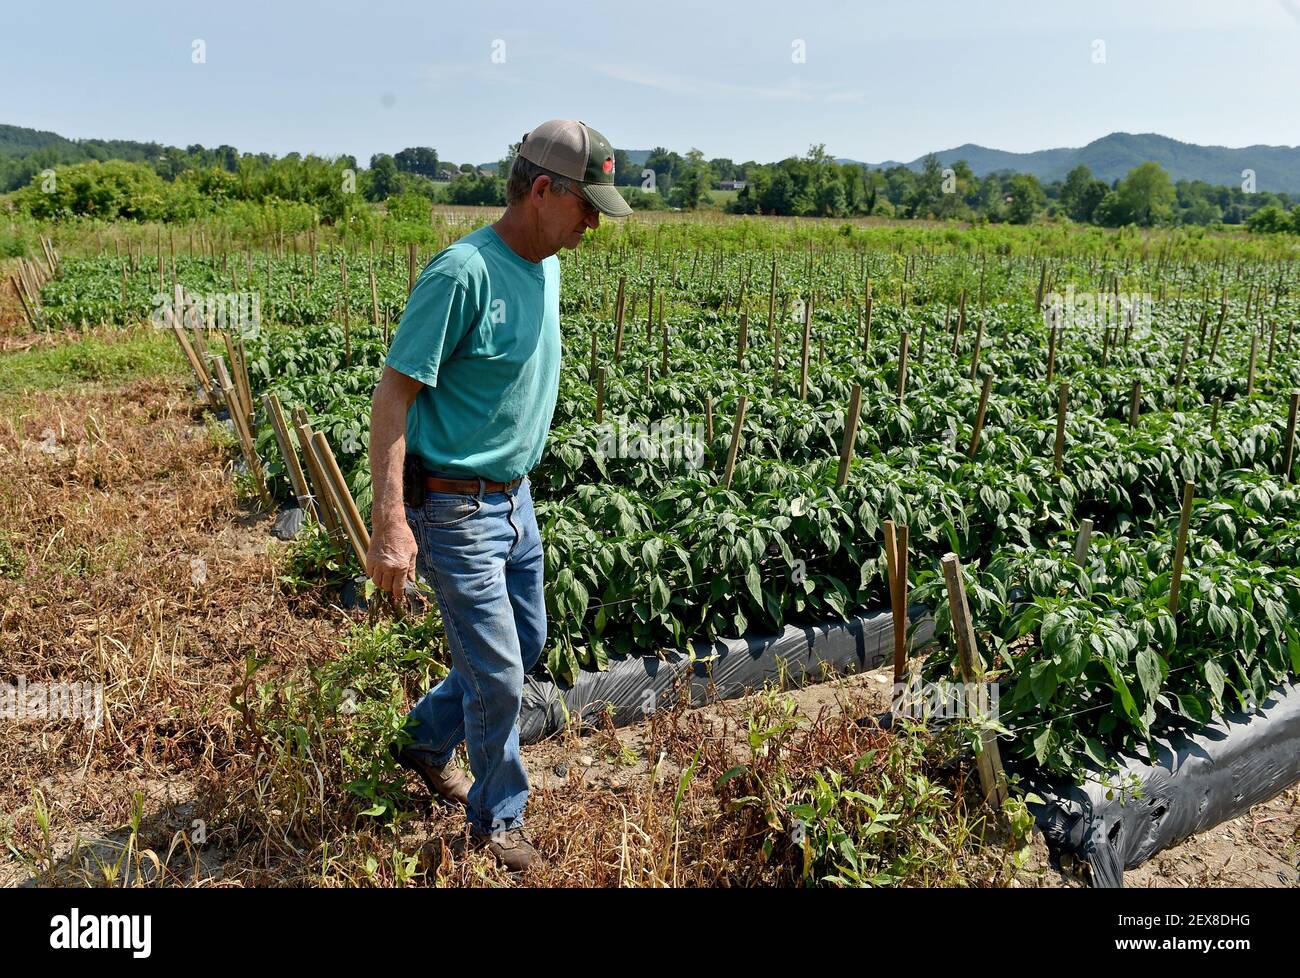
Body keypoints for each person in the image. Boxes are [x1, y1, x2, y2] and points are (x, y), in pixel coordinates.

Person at [366, 120, 632, 873]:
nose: (593, 225)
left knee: (529, 645)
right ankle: (499, 821)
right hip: (453, 507)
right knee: (501, 674)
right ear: (543, 190)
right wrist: (391, 522)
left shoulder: (546, 262)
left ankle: (423, 738)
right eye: (587, 207)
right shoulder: (462, 274)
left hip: (514, 502)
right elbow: (392, 398)